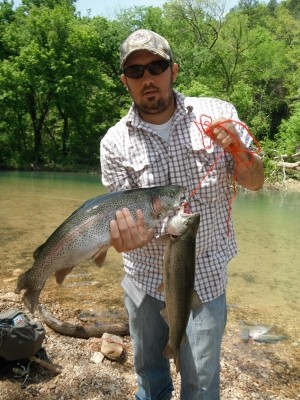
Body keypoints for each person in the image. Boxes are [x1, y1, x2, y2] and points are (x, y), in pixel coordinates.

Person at [100, 29, 264, 400]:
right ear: (126, 81)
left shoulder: (220, 113)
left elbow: (255, 181)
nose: (148, 78)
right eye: (136, 71)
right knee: (150, 379)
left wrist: (239, 151)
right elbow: (121, 218)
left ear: (173, 70)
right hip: (141, 279)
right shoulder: (114, 142)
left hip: (205, 277)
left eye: (155, 66)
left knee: (202, 387)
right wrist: (125, 240)